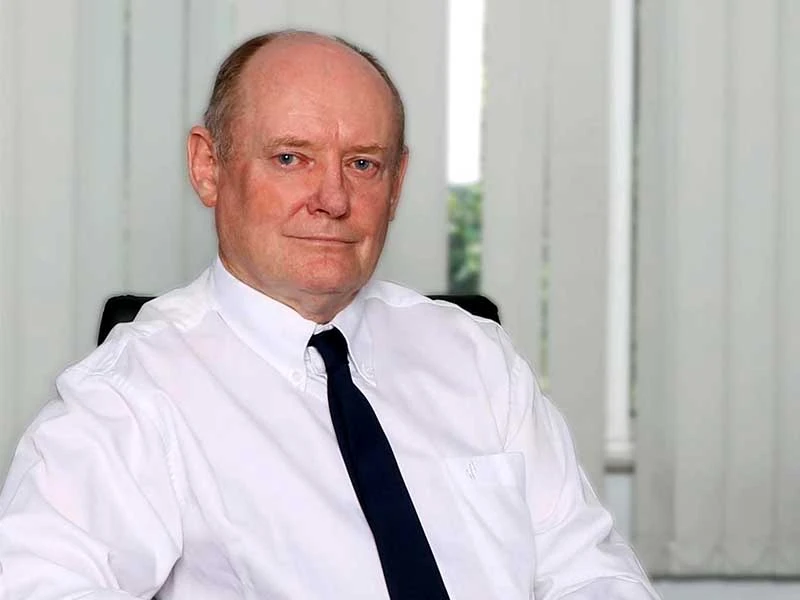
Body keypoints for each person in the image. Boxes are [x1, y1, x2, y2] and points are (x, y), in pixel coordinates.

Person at [0, 30, 658, 599]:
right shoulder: (129, 395)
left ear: (396, 185)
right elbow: (41, 584)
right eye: (291, 158)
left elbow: (590, 572)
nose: (333, 199)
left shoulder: (478, 358)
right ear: (208, 167)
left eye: (363, 164)